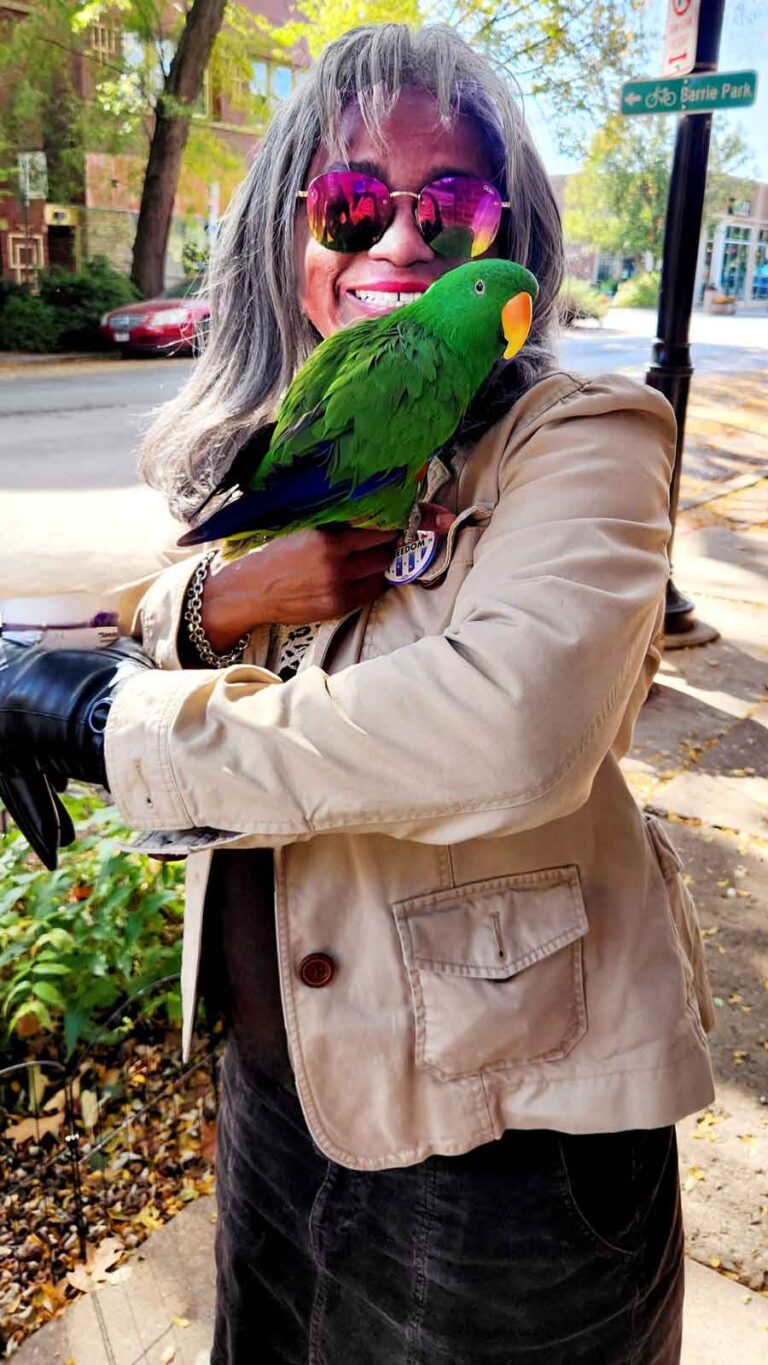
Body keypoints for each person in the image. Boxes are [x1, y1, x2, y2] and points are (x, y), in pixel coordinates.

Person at [0, 23, 716, 1364]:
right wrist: (230, 596)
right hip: (280, 1097)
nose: (399, 245)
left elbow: (503, 734)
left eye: (449, 209)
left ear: (512, 246)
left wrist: (101, 717)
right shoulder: (311, 409)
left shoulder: (587, 445)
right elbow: (178, 595)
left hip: (508, 1152)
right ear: (292, 234)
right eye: (351, 203)